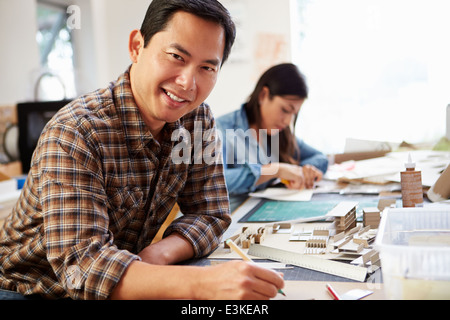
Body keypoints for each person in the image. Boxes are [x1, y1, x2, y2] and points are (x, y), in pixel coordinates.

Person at [0, 0, 284, 300]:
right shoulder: (77, 131)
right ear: (137, 46)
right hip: (28, 288)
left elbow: (211, 214)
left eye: (207, 67)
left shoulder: (196, 120)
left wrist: (158, 255)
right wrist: (201, 284)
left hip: (121, 278)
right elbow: (83, 267)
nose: (188, 83)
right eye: (176, 56)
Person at [217, 63, 329, 196]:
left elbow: (321, 157)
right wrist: (274, 170)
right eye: (285, 110)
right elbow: (215, 181)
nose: (288, 122)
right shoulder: (221, 129)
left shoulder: (279, 133)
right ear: (263, 95)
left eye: (294, 114)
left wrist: (303, 171)